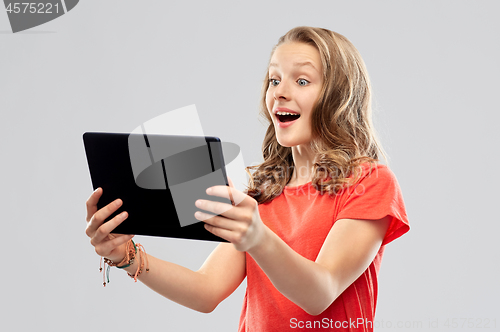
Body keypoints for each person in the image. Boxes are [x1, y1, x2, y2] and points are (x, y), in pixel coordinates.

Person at [85, 26, 410, 331]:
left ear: (339, 95)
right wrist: (125, 255)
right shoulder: (262, 195)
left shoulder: (370, 182)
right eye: (274, 80)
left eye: (301, 81)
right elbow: (206, 290)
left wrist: (258, 237)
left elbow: (320, 293)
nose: (280, 93)